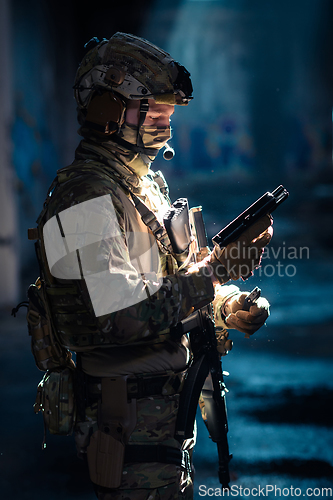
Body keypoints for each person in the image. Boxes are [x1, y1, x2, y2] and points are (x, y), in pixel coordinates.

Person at [31, 32, 273, 500]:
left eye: (168, 112)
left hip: (164, 418)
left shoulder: (143, 188)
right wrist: (217, 273)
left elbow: (168, 282)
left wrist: (227, 305)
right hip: (127, 425)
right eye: (151, 109)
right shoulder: (84, 200)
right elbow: (118, 317)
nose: (165, 121)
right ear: (105, 110)